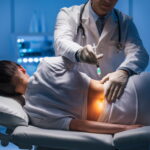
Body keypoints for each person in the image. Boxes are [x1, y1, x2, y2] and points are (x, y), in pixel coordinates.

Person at [0, 57, 150, 134]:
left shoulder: (34, 113)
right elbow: (82, 56)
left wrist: (124, 129)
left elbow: (80, 125)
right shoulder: (48, 65)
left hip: (130, 116)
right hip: (135, 86)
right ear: (22, 68)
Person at [54, 0, 149, 103]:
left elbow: (140, 53)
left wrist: (124, 71)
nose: (108, 1)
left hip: (111, 96)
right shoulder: (69, 14)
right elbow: (61, 42)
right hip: (76, 94)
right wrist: (79, 52)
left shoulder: (125, 22)